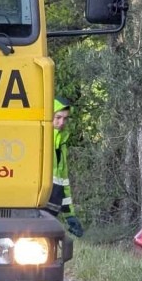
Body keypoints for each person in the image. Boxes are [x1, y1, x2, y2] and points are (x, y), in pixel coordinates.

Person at [48, 97, 83, 237]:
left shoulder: (61, 143)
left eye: (65, 118)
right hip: (35, 210)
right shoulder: (40, 139)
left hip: (51, 212)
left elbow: (63, 182)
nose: (61, 122)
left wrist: (70, 215)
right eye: (58, 117)